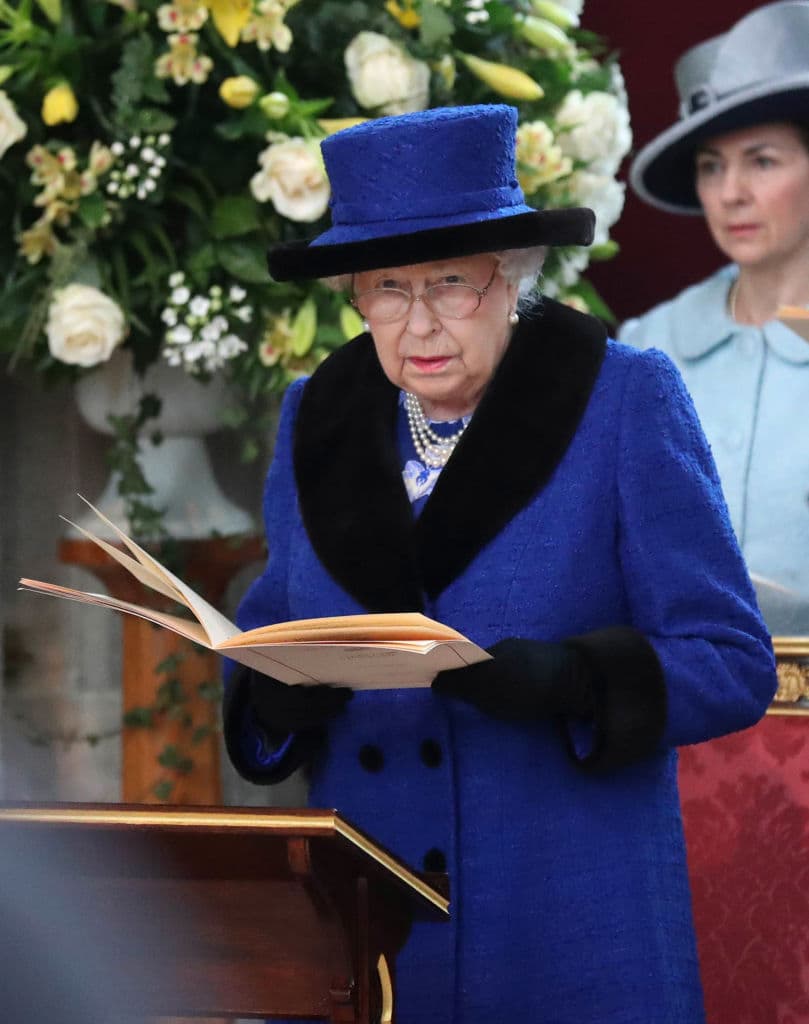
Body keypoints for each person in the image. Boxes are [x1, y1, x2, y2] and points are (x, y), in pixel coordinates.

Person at [223, 103, 776, 1023]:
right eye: (387, 289)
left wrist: (579, 680)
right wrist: (267, 694)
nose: (419, 322)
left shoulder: (625, 400)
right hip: (364, 927)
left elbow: (730, 658)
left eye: (451, 282)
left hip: (562, 920)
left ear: (513, 277)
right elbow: (275, 617)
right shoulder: (312, 414)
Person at [622, 0, 809, 603]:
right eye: (711, 166)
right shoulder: (649, 345)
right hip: (685, 691)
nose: (730, 194)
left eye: (762, 161)